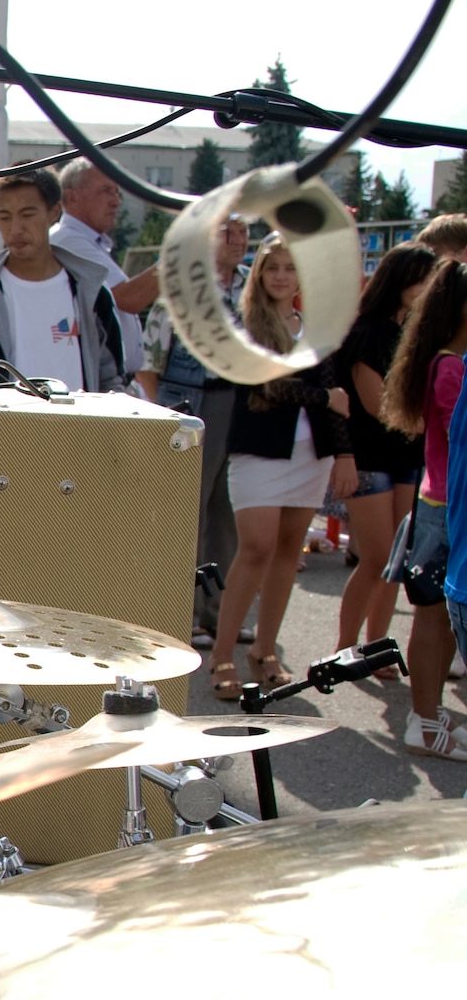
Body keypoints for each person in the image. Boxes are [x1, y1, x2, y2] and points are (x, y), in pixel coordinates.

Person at [208, 237, 354, 700]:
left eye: (291, 268)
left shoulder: (311, 327)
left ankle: (265, 651)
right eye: (273, 267)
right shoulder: (246, 324)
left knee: (290, 552)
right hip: (259, 452)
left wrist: (345, 454)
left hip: (311, 455)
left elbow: (338, 399)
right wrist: (322, 398)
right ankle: (223, 656)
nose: (281, 276)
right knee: (255, 549)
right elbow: (266, 385)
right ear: (260, 273)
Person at [138, 214, 252, 648]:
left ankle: (220, 615)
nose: (239, 240)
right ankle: (179, 615)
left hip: (243, 408)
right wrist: (169, 415)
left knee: (230, 517)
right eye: (228, 232)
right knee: (189, 515)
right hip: (194, 408)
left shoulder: (253, 288)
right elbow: (149, 366)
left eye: (243, 233)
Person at [379, 258, 467, 759]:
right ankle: (425, 720)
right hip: (444, 506)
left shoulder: (448, 360)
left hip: (440, 502)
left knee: (444, 619)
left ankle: (430, 717)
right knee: (434, 619)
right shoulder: (451, 366)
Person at [335, 243, 438, 657]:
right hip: (370, 455)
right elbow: (375, 403)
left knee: (397, 560)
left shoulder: (417, 333)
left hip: (406, 457)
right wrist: (433, 426)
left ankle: (376, 648)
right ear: (398, 279)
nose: (426, 287)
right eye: (419, 278)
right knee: (377, 555)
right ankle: (344, 648)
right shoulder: (366, 331)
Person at [0, 169, 127, 392]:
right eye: (5, 217)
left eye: (27, 214)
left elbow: (112, 381)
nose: (15, 229)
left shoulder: (92, 294)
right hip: (7, 427)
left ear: (54, 212)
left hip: (81, 426)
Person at [50, 159, 155, 382]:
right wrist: (179, 258)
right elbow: (129, 298)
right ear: (72, 197)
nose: (116, 202)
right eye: (106, 191)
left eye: (117, 192)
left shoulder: (84, 242)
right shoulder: (68, 241)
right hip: (99, 382)